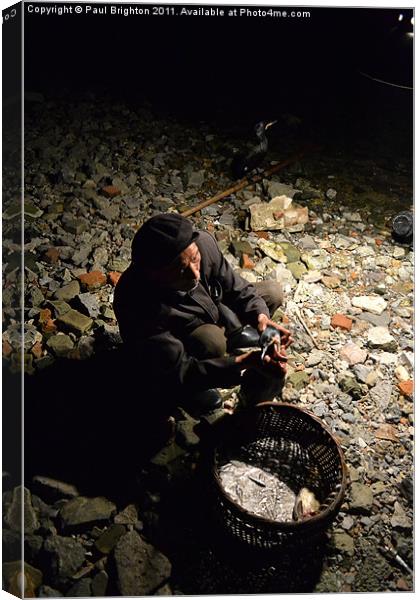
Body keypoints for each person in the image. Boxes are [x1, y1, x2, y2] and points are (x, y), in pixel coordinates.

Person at [113, 213, 292, 416]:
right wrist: (241, 362)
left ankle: (233, 335)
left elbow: (237, 288)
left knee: (271, 293)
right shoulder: (137, 303)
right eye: (180, 270)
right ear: (155, 274)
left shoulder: (203, 245)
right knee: (212, 342)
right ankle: (192, 391)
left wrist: (262, 318)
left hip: (211, 309)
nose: (194, 273)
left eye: (195, 259)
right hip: (176, 341)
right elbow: (179, 371)